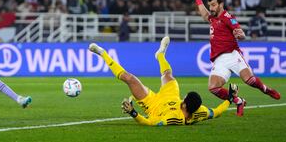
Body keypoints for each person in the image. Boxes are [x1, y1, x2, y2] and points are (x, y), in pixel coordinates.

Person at [88, 36, 238, 126]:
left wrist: (133, 112)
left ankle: (102, 53)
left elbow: (149, 123)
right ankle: (160, 54)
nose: (183, 97)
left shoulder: (173, 119)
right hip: (170, 96)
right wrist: (229, 98)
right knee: (168, 74)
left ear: (185, 104)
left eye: (184, 98)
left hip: (152, 104)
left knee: (130, 79)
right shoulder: (200, 111)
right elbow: (217, 112)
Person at [192, 0, 280, 117]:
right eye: (210, 5)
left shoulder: (228, 18)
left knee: (249, 80)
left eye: (213, 5)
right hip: (219, 60)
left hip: (232, 55)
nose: (211, 8)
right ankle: (239, 101)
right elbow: (205, 15)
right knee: (213, 87)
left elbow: (240, 32)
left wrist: (242, 35)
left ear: (221, 4)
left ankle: (267, 90)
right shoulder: (212, 18)